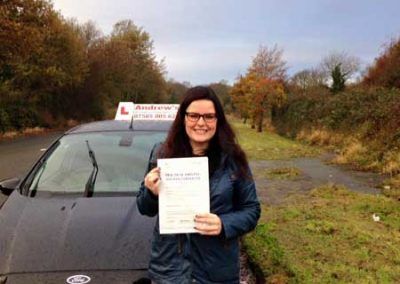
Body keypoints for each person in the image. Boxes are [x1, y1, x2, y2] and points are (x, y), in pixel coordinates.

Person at [136, 86, 260, 284]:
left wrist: (223, 223)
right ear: (183, 118)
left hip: (216, 272)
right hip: (170, 271)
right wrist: (151, 193)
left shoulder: (233, 158)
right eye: (194, 115)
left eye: (209, 116)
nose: (201, 123)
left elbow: (251, 210)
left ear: (217, 120)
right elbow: (144, 208)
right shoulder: (162, 154)